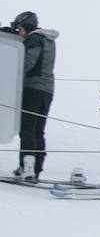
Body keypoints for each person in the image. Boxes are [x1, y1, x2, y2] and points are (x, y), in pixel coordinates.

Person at [9, 12, 56, 181]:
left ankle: (27, 167)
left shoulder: (34, 39)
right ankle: (36, 167)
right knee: (38, 130)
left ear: (27, 27)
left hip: (32, 89)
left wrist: (11, 70)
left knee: (27, 129)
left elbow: (28, 62)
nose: (20, 33)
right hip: (47, 90)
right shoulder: (47, 40)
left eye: (20, 29)